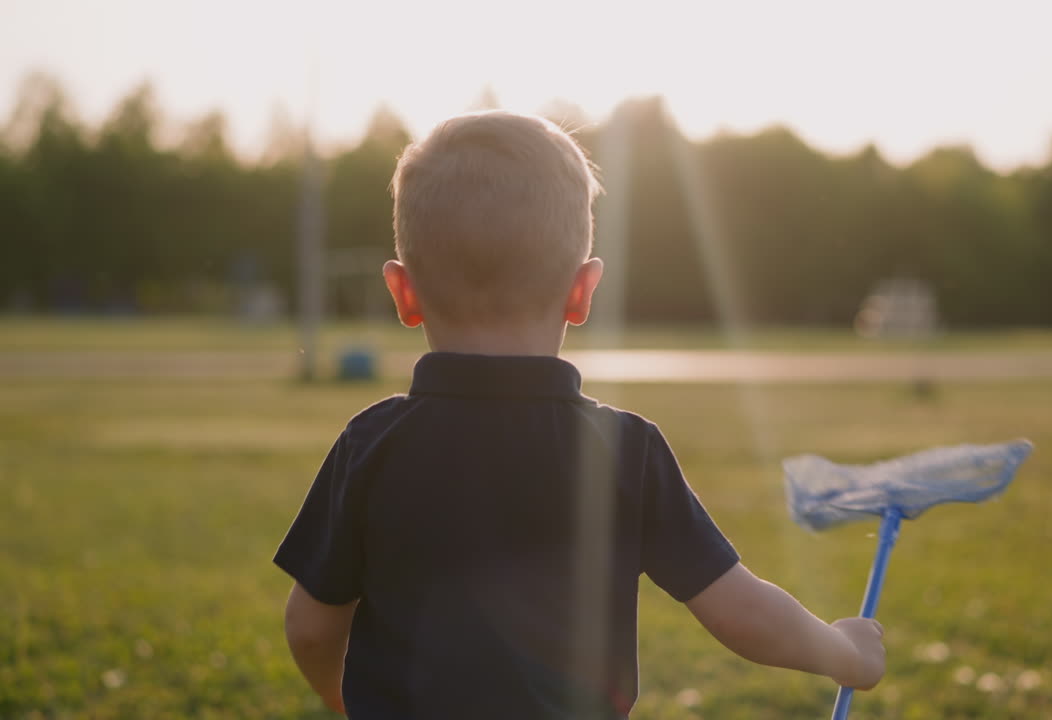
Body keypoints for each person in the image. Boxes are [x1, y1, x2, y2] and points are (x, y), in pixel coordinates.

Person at [274, 110, 886, 718]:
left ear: (402, 293)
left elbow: (309, 626)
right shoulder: (626, 450)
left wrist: (342, 697)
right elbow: (739, 611)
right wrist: (842, 650)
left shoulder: (371, 445)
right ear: (582, 290)